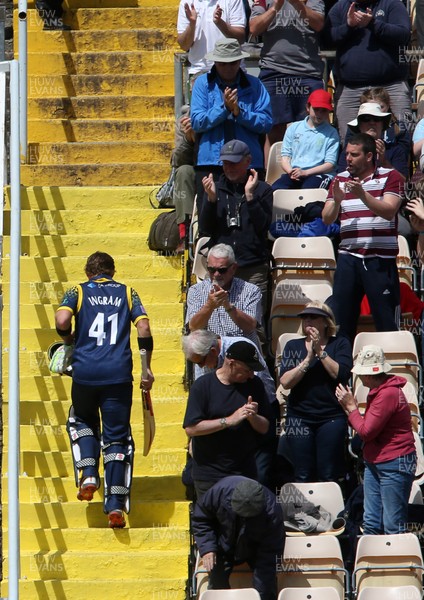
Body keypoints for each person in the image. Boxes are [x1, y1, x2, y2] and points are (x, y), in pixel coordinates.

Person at [54, 251, 154, 528]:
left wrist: (68, 339)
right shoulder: (127, 292)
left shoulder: (78, 291)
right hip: (118, 375)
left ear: (89, 273)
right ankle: (115, 506)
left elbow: (62, 320)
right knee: (117, 437)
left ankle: (88, 473)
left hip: (85, 373)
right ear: (112, 271)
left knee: (82, 419)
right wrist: (146, 368)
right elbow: (143, 327)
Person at [322, 132, 404, 342]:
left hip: (380, 260)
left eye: (354, 154)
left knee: (387, 322)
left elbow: (388, 210)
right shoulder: (339, 179)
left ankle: (392, 370)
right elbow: (327, 219)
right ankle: (342, 371)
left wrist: (362, 195)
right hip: (348, 259)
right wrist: (337, 201)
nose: (348, 158)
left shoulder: (390, 176)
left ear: (369, 156)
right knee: (341, 323)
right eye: (347, 153)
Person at [182, 329, 279, 489]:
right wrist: (229, 420)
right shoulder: (203, 385)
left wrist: (252, 416)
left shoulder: (251, 377)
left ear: (213, 352)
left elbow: (265, 426)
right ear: (231, 364)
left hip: (244, 466)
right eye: (247, 371)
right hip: (211, 471)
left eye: (201, 361)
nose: (201, 366)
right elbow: (192, 426)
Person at [336, 345, 416, 534]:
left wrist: (351, 408)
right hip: (377, 461)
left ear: (370, 375)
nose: (360, 378)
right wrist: (351, 409)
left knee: (392, 525)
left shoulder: (387, 394)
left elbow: (366, 432)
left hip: (393, 463)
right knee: (371, 523)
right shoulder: (383, 391)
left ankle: (396, 562)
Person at [190, 38, 273, 200]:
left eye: (232, 63)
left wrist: (239, 113)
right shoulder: (202, 84)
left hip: (248, 163)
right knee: (210, 215)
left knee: (250, 214)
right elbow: (197, 121)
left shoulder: (255, 85)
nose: (228, 68)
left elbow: (266, 123)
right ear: (215, 62)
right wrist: (224, 108)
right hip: (211, 163)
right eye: (222, 63)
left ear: (240, 61)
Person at [279, 301, 352, 482]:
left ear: (326, 322)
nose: (308, 321)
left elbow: (340, 374)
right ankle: (303, 510)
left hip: (331, 416)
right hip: (299, 417)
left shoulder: (340, 343)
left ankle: (331, 509)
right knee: (302, 473)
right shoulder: (293, 346)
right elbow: (285, 382)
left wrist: (320, 351)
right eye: (305, 318)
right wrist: (307, 360)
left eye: (313, 317)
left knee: (328, 473)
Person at [199, 139, 273, 312]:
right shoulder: (214, 189)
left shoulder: (263, 190)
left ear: (248, 162)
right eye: (225, 163)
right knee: (218, 318)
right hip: (221, 270)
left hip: (252, 266)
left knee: (254, 323)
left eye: (234, 163)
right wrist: (210, 200)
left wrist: (250, 196)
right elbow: (205, 229)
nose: (229, 167)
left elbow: (263, 227)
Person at [249, 0, 325, 162]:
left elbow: (319, 24)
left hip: (308, 73)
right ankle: (273, 181)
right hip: (273, 71)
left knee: (312, 128)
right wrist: (276, 6)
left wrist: (296, 3)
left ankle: (308, 175)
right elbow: (254, 28)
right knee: (274, 130)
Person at [324, 0, 411, 141]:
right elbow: (326, 39)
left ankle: (395, 163)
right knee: (349, 142)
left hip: (391, 86)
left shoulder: (392, 4)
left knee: (402, 137)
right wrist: (348, 26)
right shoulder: (341, 6)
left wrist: (373, 24)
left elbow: (403, 34)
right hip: (350, 89)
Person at [192, 475, 285, 600]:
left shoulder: (272, 510)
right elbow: (201, 519)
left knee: (266, 587)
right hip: (222, 542)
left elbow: (270, 554)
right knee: (216, 579)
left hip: (255, 547)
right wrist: (207, 547)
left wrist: (261, 594)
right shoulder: (219, 492)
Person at [185, 243, 263, 349]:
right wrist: (209, 306)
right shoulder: (196, 291)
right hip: (210, 358)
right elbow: (194, 327)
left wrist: (228, 306)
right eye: (211, 269)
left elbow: (250, 327)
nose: (216, 274)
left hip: (241, 357)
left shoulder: (251, 290)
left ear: (234, 268)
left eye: (222, 270)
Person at [271, 89, 340, 191]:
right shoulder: (293, 128)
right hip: (294, 173)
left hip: (320, 175)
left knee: (308, 190)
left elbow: (330, 165)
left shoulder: (332, 133)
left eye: (324, 110)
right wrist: (291, 172)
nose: (319, 114)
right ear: (308, 107)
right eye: (316, 109)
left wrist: (305, 172)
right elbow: (285, 157)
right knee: (276, 189)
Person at [338, 102, 410, 179]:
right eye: (366, 119)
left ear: (382, 124)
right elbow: (341, 180)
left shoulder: (395, 150)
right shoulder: (349, 151)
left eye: (377, 119)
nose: (372, 122)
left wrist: (385, 163)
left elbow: (403, 182)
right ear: (359, 125)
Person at [177, 0, 246, 77]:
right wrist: (192, 24)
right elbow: (184, 46)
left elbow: (240, 38)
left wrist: (219, 22)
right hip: (200, 71)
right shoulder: (187, 2)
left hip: (231, 70)